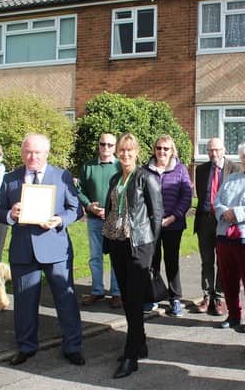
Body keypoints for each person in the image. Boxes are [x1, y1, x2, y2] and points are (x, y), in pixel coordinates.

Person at [0, 133, 85, 367]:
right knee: (24, 302)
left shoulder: (61, 176)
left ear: (46, 153)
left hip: (55, 248)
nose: (32, 156)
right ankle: (26, 346)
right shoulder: (10, 178)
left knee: (66, 300)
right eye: (28, 151)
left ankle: (72, 346)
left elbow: (76, 209)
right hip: (23, 250)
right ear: (22, 153)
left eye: (37, 152)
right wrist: (10, 214)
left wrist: (59, 220)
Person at [102, 133, 162, 379]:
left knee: (135, 299)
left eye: (129, 150)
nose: (125, 154)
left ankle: (131, 355)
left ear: (137, 152)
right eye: (121, 150)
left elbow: (156, 216)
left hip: (139, 246)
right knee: (127, 298)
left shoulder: (145, 177)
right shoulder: (116, 178)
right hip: (117, 243)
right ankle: (141, 343)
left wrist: (150, 249)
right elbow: (111, 209)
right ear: (117, 152)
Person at [214, 142, 245, 333]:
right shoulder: (231, 178)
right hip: (224, 236)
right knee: (228, 279)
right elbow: (217, 200)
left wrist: (236, 213)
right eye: (244, 157)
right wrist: (224, 212)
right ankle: (234, 314)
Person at [144, 135, 192, 316]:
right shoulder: (145, 170)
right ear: (154, 150)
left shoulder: (180, 170)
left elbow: (186, 196)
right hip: (151, 225)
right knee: (152, 262)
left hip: (174, 224)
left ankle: (175, 299)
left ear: (172, 151)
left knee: (172, 262)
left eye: (166, 148)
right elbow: (140, 197)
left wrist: (174, 216)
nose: (162, 151)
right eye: (159, 148)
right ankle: (153, 296)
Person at [193, 137, 240, 315]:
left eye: (217, 150)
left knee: (223, 261)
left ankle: (220, 297)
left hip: (224, 221)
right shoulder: (201, 169)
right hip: (204, 220)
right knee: (206, 261)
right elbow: (201, 195)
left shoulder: (234, 169)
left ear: (224, 150)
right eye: (211, 150)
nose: (214, 153)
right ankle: (207, 296)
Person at [76, 133, 122, 309]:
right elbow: (79, 190)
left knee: (115, 257)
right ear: (98, 145)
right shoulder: (88, 167)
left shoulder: (120, 166)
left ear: (115, 146)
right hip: (95, 219)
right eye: (103, 144)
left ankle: (117, 293)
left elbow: (127, 190)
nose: (106, 148)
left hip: (115, 219)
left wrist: (112, 209)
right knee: (95, 257)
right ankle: (97, 290)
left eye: (110, 145)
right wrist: (89, 206)